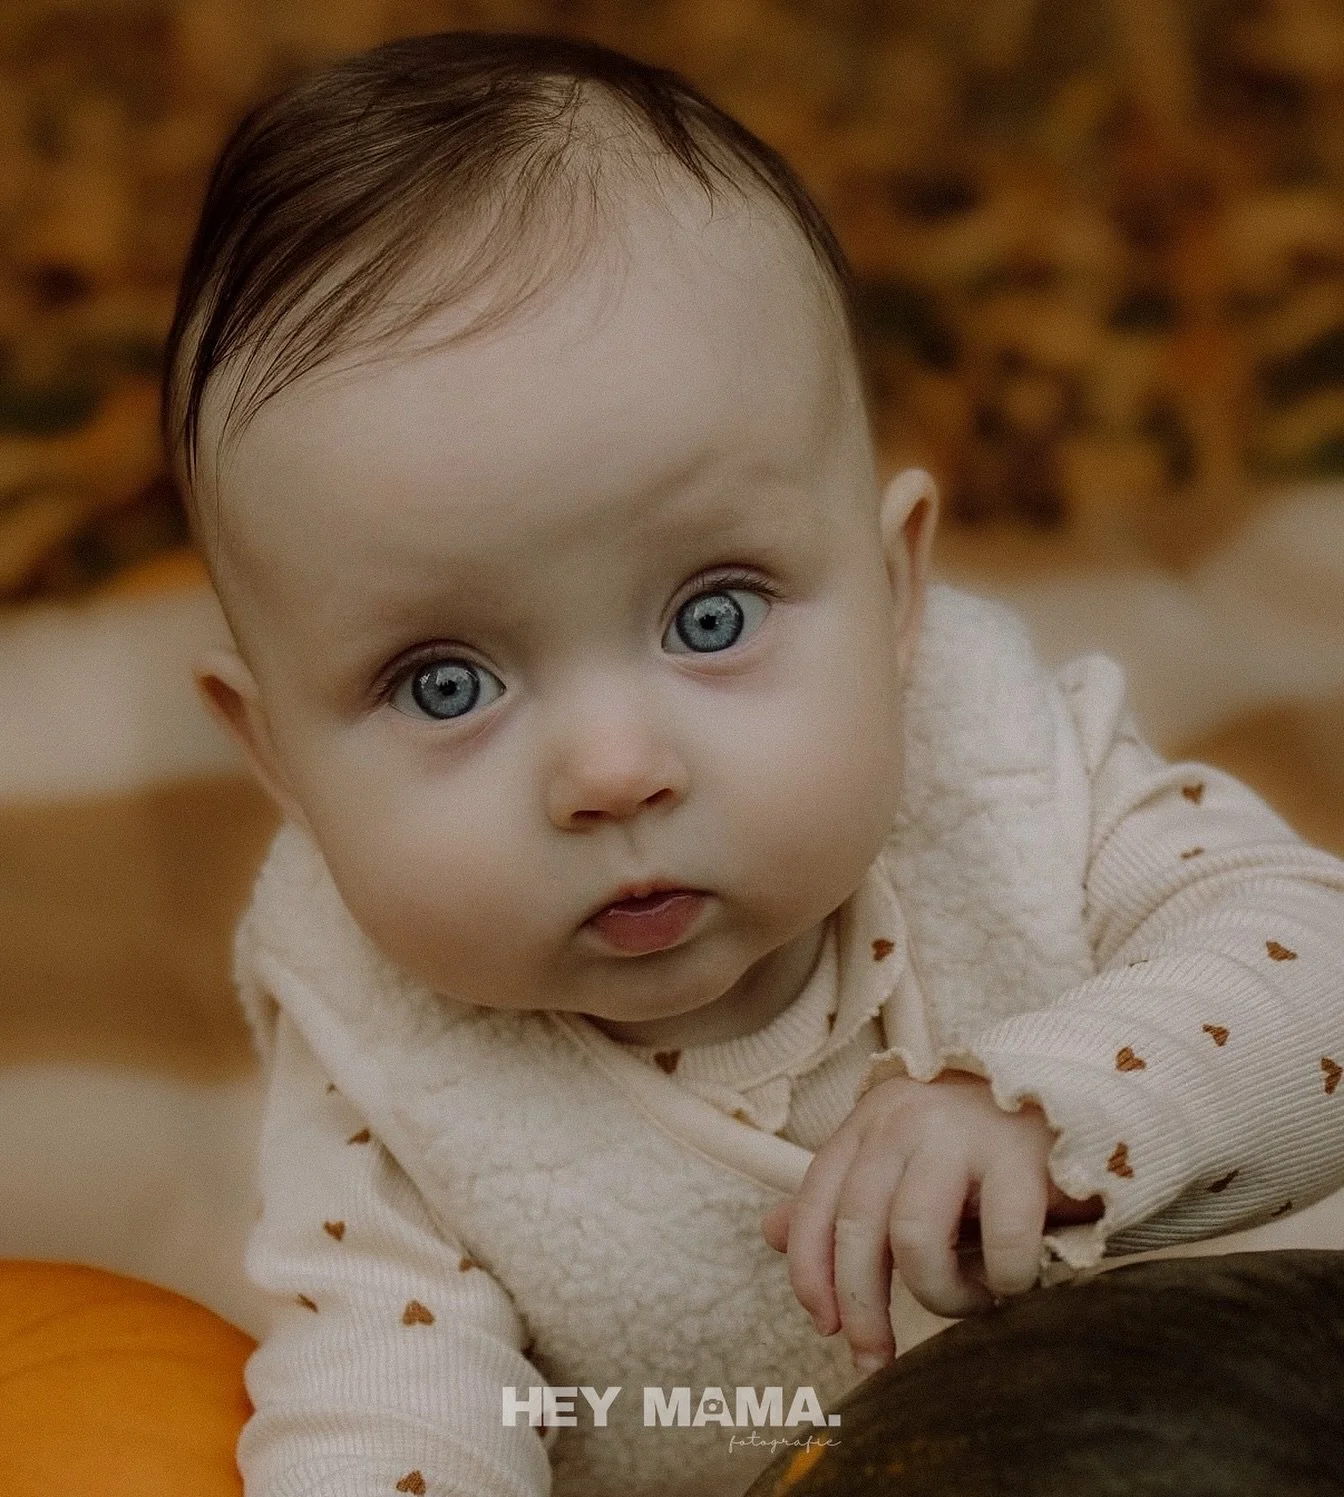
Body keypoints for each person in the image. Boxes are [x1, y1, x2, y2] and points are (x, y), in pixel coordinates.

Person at [159, 30, 1344, 1497]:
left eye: (710, 616)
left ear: (895, 594)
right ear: (277, 757)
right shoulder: (375, 1031)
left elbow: (1313, 974)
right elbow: (385, 1400)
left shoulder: (1002, 769)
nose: (613, 771)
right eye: (444, 685)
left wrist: (1051, 1108)